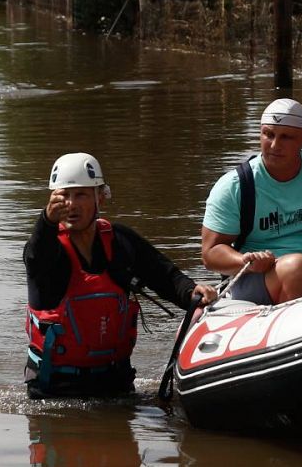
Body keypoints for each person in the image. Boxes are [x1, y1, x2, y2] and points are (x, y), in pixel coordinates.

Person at [24, 152, 217, 399]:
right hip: (55, 388)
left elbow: (163, 275)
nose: (71, 204)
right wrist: (46, 221)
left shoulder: (119, 241)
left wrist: (191, 292)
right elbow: (36, 259)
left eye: (81, 195)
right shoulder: (47, 248)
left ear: (100, 198)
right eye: (64, 196)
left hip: (115, 381)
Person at [200, 98, 302, 304]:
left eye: (286, 137)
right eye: (268, 134)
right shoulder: (234, 186)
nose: (275, 145)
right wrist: (245, 261)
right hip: (260, 277)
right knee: (297, 266)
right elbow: (210, 254)